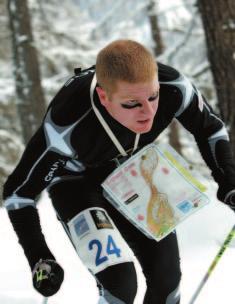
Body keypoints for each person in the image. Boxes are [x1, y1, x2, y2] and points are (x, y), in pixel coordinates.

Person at [3, 39, 235, 304]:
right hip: (75, 182)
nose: (148, 112)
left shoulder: (174, 87)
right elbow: (18, 193)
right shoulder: (67, 122)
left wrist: (227, 179)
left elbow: (211, 128)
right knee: (121, 285)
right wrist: (40, 258)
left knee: (167, 282)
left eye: (153, 96)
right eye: (132, 104)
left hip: (132, 169)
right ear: (104, 97)